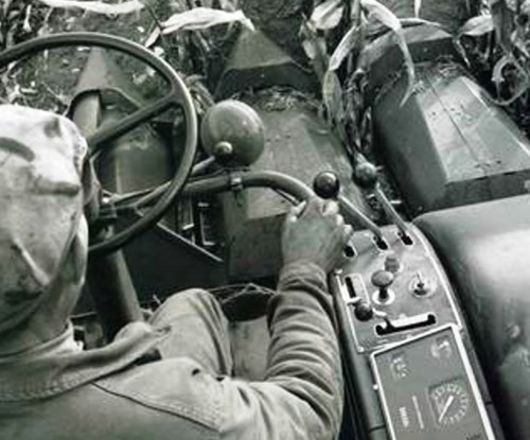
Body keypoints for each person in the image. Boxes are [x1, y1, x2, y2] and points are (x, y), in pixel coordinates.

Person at [0, 105, 352, 440]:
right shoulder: (165, 413)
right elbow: (308, 416)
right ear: (77, 259)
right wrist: (305, 271)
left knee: (192, 305)